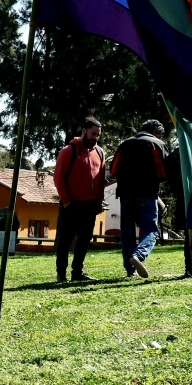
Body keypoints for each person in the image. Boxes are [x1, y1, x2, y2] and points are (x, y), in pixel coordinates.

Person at [111, 120, 169, 278]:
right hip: (147, 193)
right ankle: (139, 255)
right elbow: (165, 171)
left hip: (126, 193)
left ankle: (131, 270)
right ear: (156, 132)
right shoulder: (157, 144)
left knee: (127, 231)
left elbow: (114, 169)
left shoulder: (125, 144)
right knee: (150, 229)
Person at [52, 117, 107, 282]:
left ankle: (77, 273)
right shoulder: (69, 151)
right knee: (66, 239)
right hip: (71, 204)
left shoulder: (100, 153)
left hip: (90, 205)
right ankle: (61, 273)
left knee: (84, 240)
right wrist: (67, 201)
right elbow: (58, 178)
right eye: (92, 133)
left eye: (98, 135)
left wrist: (99, 201)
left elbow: (101, 179)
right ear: (83, 131)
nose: (95, 137)